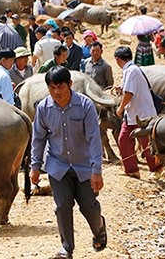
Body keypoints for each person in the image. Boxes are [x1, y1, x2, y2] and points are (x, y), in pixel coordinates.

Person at [30, 66, 107, 259]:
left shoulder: (85, 106)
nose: (56, 92)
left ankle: (99, 228)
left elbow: (93, 138)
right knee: (62, 206)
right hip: (58, 166)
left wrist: (96, 170)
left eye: (60, 86)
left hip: (84, 165)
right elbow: (38, 138)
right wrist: (35, 166)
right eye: (52, 87)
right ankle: (66, 248)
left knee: (89, 206)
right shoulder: (44, 108)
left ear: (70, 85)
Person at [114, 46, 164, 179]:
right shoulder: (133, 70)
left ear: (117, 60)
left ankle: (156, 169)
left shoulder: (131, 71)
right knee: (124, 140)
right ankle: (132, 170)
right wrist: (121, 89)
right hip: (133, 115)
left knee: (145, 143)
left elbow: (130, 93)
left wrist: (120, 108)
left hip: (141, 116)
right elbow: (128, 90)